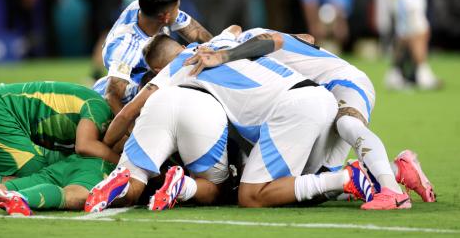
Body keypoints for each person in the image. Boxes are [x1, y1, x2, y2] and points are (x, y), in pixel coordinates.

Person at [97, 32, 381, 210]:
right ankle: (386, 174)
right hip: (318, 97)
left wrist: (107, 140)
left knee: (252, 196)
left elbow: (128, 112)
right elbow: (243, 29)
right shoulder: (219, 42)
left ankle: (347, 178)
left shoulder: (174, 69)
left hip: (291, 109)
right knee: (304, 189)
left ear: (156, 67)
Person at [183, 26, 436, 209]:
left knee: (347, 123)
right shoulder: (244, 44)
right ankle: (399, 169)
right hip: (317, 101)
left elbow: (273, 40)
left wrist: (225, 55)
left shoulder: (248, 40)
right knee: (312, 181)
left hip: (342, 81)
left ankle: (391, 190)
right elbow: (306, 38)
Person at [84, 86, 229, 212]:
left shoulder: (174, 65)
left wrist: (106, 144)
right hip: (206, 107)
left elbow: (126, 113)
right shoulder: (225, 62)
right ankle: (182, 185)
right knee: (213, 189)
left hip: (160, 99)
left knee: (133, 182)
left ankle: (122, 189)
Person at [92, 0, 212, 115]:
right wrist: (132, 134)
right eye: (176, 9)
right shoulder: (126, 48)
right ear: (165, 17)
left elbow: (198, 34)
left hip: (147, 85)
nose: (178, 12)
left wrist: (215, 49)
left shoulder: (148, 8)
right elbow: (112, 97)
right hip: (127, 98)